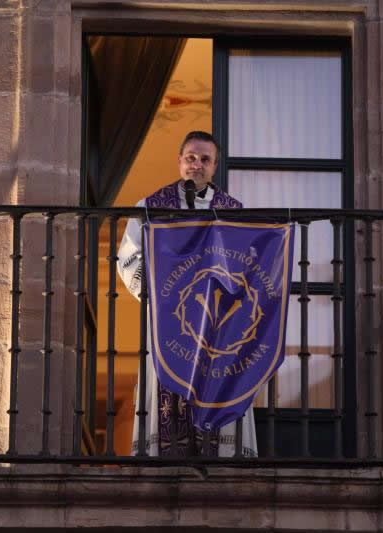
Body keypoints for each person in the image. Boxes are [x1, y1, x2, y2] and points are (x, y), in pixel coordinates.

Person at [117, 131, 258, 458]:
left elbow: (247, 264)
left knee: (217, 382)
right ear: (180, 162)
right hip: (171, 320)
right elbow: (128, 258)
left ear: (214, 167)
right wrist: (163, 292)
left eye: (205, 159)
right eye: (191, 157)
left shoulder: (233, 211)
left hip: (218, 324)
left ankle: (220, 456)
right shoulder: (150, 207)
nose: (197, 164)